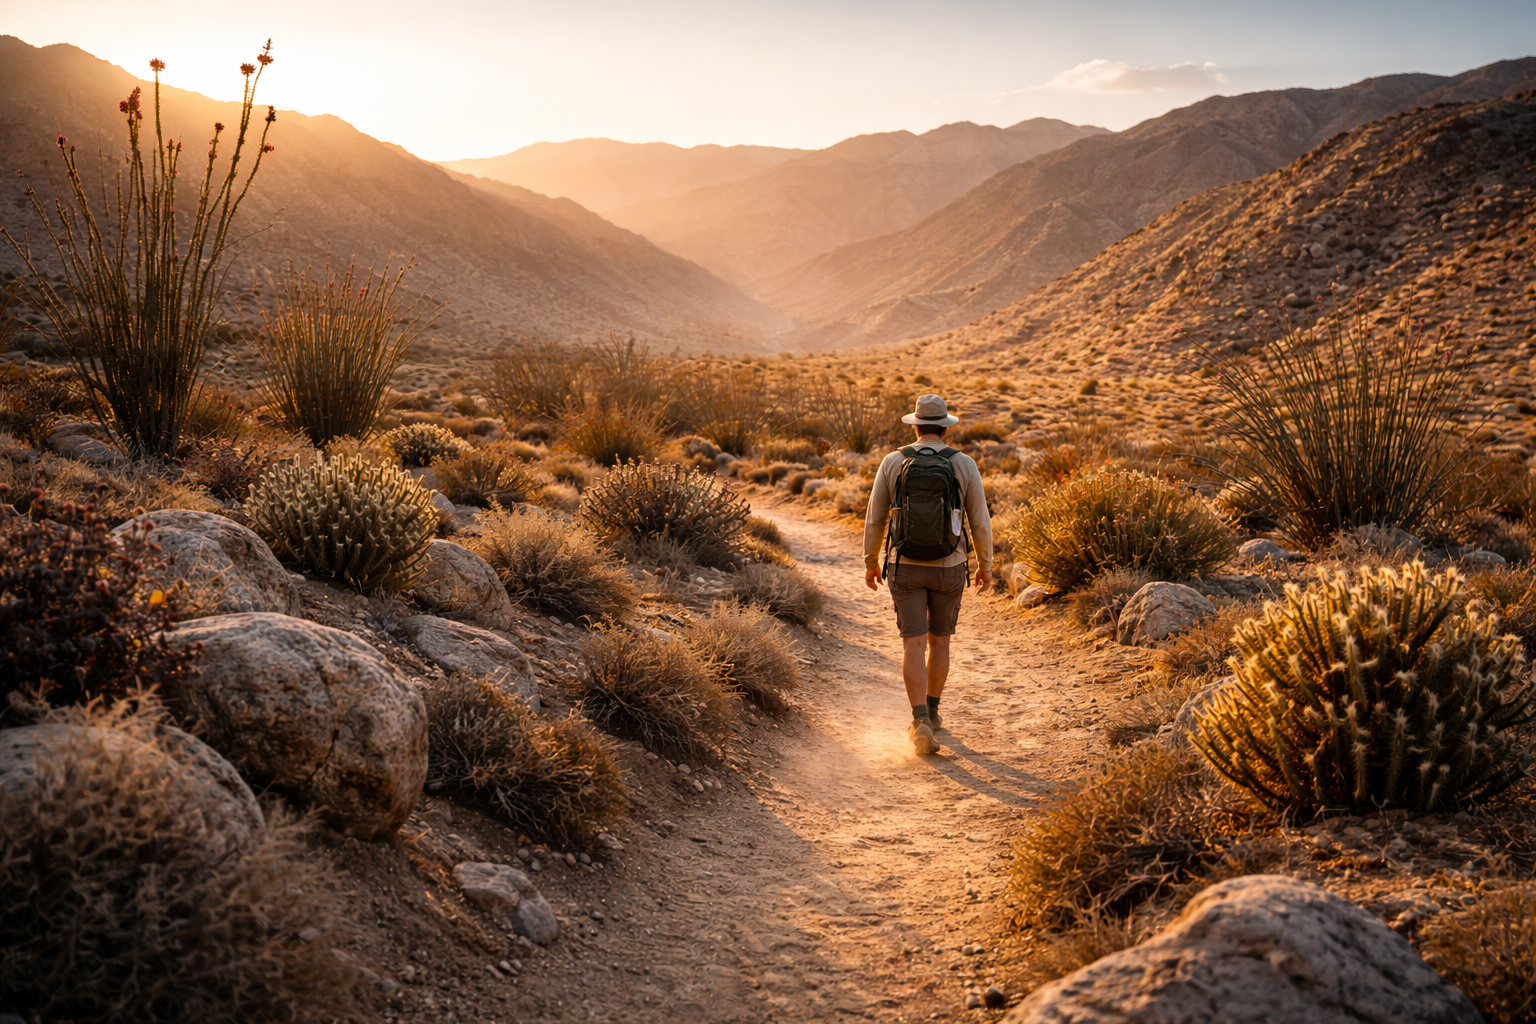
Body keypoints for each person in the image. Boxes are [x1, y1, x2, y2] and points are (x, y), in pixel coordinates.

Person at [863, 394, 994, 755]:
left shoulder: (893, 461)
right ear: (945, 427)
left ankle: (918, 718)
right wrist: (986, 565)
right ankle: (934, 713)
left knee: (913, 644)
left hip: (904, 566)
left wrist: (870, 561)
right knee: (940, 641)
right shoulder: (964, 464)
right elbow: (979, 521)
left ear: (916, 425)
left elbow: (875, 518)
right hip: (950, 567)